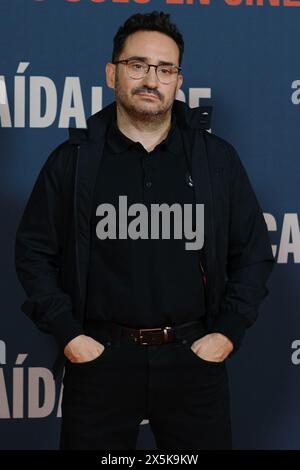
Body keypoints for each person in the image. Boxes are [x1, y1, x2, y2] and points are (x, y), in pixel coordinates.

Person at [15, 11, 274, 450]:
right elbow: (34, 251)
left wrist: (227, 331)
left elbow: (252, 253)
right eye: (138, 65)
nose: (151, 79)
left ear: (178, 80)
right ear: (112, 73)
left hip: (193, 359)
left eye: (165, 69)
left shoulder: (215, 160)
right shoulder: (74, 162)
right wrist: (71, 337)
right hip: (100, 360)